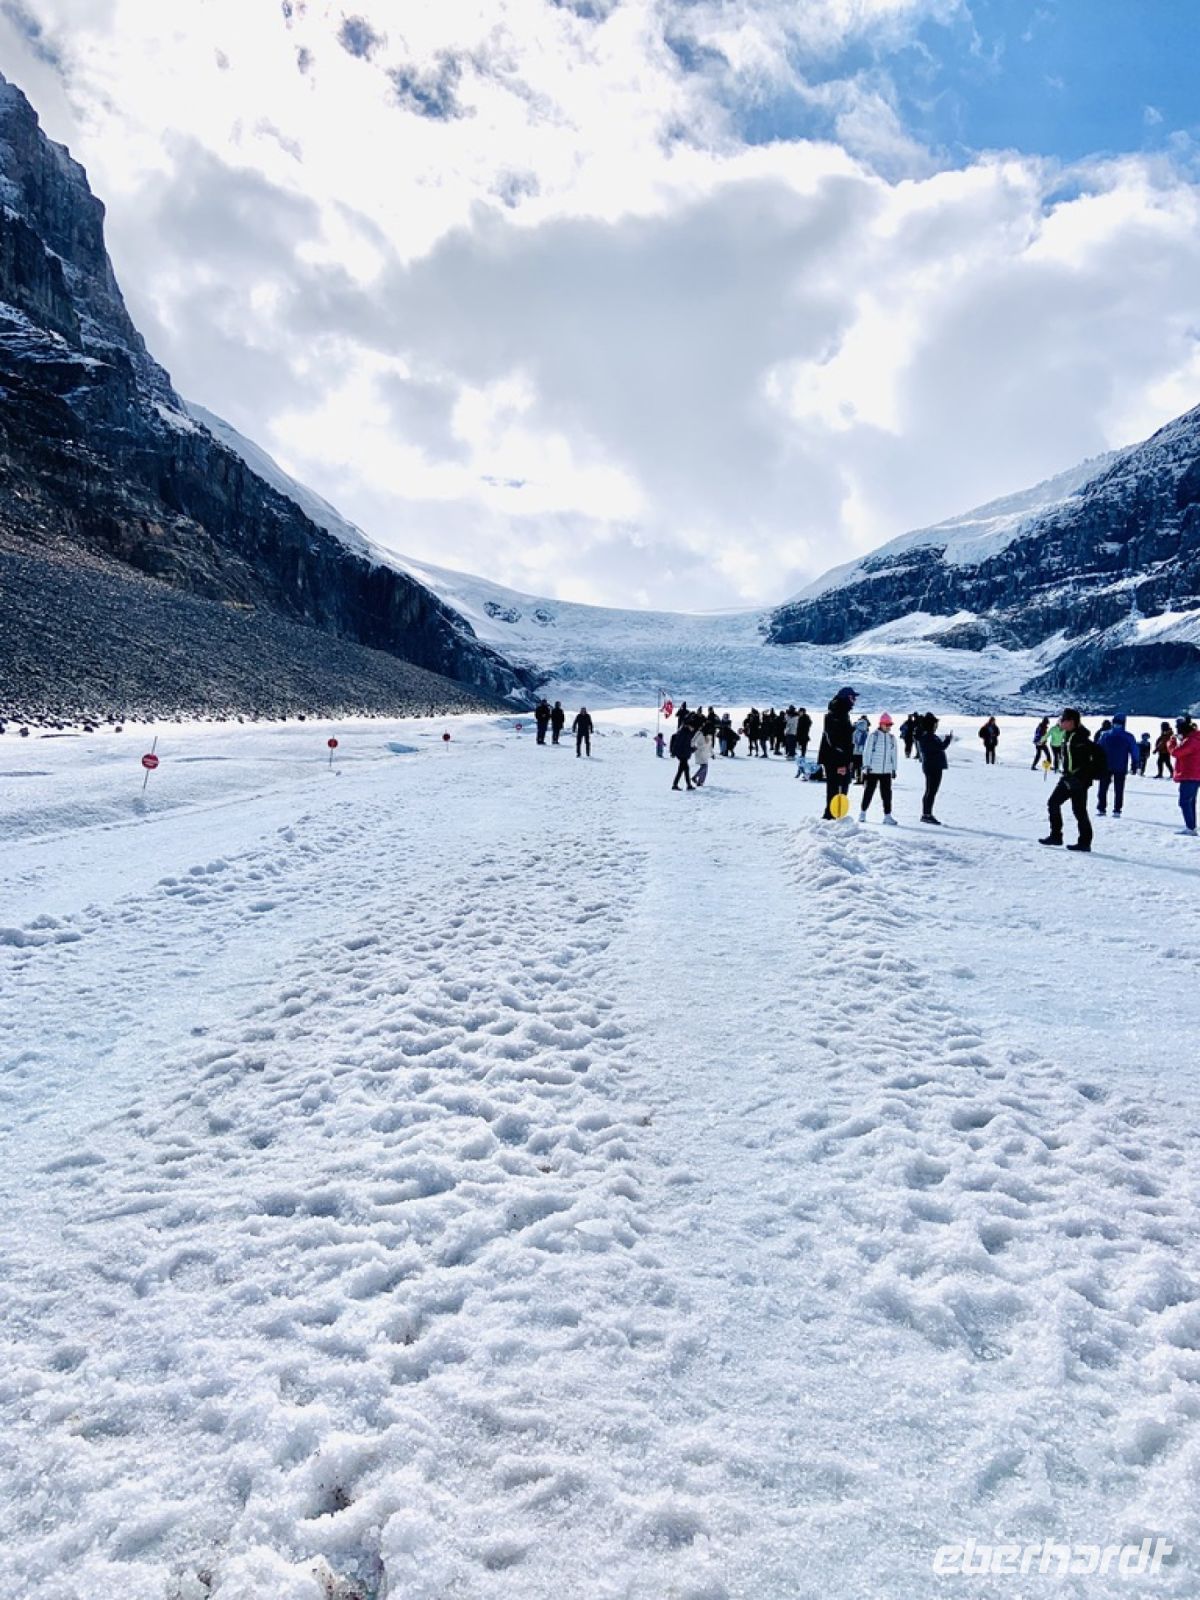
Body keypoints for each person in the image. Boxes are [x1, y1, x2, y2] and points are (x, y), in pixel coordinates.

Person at [1040, 708, 1096, 852]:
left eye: (1063, 720)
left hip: (1076, 780)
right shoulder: (1069, 735)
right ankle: (1069, 838)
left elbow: (1088, 761)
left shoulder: (1079, 739)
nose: (1061, 722)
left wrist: (1078, 777)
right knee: (1075, 809)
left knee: (1068, 807)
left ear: (1071, 722)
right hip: (1071, 779)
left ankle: (1070, 839)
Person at [819, 687, 857, 819]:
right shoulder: (836, 714)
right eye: (852, 697)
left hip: (839, 758)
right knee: (836, 789)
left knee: (841, 787)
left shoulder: (842, 713)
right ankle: (831, 817)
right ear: (845, 698)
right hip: (835, 760)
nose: (854, 701)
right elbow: (835, 741)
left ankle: (835, 817)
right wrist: (841, 763)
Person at [1095, 714, 1139, 817]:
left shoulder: (1105, 735)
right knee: (1119, 789)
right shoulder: (1128, 736)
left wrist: (1096, 762)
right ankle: (1117, 810)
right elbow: (1134, 751)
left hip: (1106, 765)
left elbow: (1098, 749)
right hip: (1121, 766)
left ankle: (1101, 808)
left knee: (1103, 787)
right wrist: (1135, 764)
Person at [860, 713, 899, 825]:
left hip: (886, 771)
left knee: (887, 794)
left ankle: (887, 816)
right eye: (886, 724)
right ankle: (862, 813)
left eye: (890, 724)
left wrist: (894, 769)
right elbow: (867, 752)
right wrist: (866, 766)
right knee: (869, 792)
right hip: (873, 770)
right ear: (881, 724)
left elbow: (894, 755)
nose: (888, 726)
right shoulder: (874, 736)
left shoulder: (892, 738)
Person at [915, 712, 951, 825]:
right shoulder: (928, 737)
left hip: (932, 765)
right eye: (935, 724)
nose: (936, 726)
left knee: (930, 791)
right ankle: (927, 814)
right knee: (931, 791)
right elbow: (940, 747)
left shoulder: (927, 736)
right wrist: (947, 740)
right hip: (933, 766)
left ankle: (927, 814)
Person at [1168, 715, 1200, 835]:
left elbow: (1176, 752)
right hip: (1196, 774)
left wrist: (1171, 743)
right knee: (1191, 801)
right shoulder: (1196, 738)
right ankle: (1191, 826)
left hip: (1189, 774)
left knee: (1184, 801)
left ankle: (1190, 827)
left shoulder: (1191, 741)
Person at [669, 722, 694, 790]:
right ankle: (684, 785)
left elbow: (686, 745)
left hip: (683, 753)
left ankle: (686, 785)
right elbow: (678, 743)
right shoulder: (684, 732)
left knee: (683, 770)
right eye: (692, 727)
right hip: (682, 754)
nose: (692, 728)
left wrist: (692, 749)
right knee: (684, 769)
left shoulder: (685, 732)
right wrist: (673, 753)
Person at [692, 723, 713, 788]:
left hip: (705, 752)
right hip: (699, 751)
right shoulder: (699, 733)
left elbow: (709, 746)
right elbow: (693, 740)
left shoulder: (709, 735)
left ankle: (700, 782)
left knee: (705, 767)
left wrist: (712, 754)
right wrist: (693, 747)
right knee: (704, 766)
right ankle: (695, 777)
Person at [851, 714, 870, 782]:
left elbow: (853, 742)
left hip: (855, 752)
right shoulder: (866, 733)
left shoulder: (855, 732)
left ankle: (858, 778)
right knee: (862, 766)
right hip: (863, 753)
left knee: (856, 767)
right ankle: (863, 779)